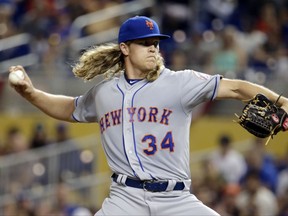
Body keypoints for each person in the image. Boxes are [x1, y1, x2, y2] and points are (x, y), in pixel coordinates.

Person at [8, 15, 288, 216]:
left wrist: (282, 101)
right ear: (125, 48)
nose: (153, 47)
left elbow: (236, 87)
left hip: (175, 199)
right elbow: (69, 108)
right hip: (124, 198)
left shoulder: (180, 82)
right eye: (144, 42)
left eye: (155, 41)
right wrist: (30, 93)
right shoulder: (105, 93)